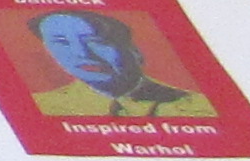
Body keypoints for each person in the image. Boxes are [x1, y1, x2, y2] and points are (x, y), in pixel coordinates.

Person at [28, 8, 216, 120]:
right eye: (62, 43)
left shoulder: (201, 106)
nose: (82, 54)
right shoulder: (42, 107)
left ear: (134, 50)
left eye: (96, 41)